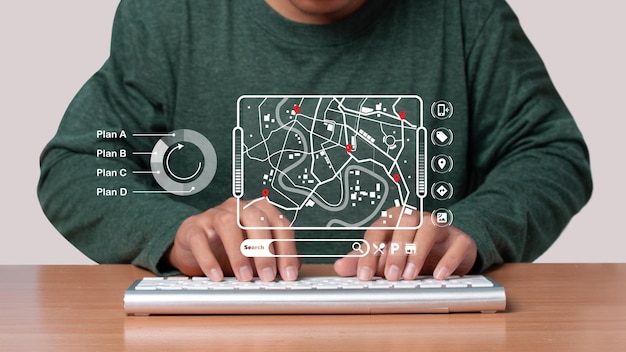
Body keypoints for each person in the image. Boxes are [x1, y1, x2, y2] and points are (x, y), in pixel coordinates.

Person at [38, 0, 592, 283]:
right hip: (215, 332)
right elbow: (78, 165)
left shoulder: (469, 14)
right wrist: (169, 234)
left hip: (426, 327)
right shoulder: (168, 15)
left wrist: (475, 226)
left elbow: (551, 153)